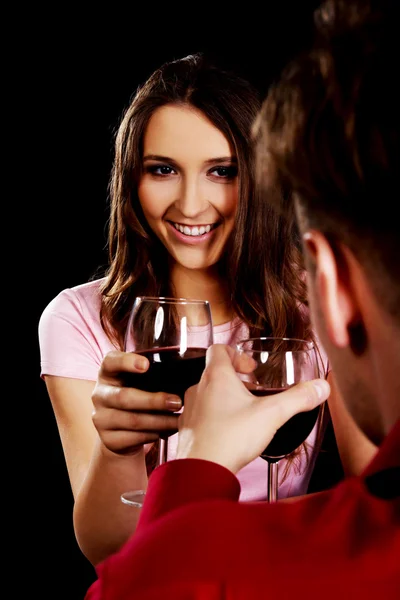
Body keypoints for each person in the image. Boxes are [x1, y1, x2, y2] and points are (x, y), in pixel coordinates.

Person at [81, 0, 399, 597]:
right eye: (162, 169)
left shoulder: (311, 308)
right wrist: (117, 450)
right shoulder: (81, 318)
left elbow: (370, 494)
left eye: (222, 171)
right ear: (131, 178)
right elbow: (108, 554)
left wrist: (198, 476)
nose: (191, 205)